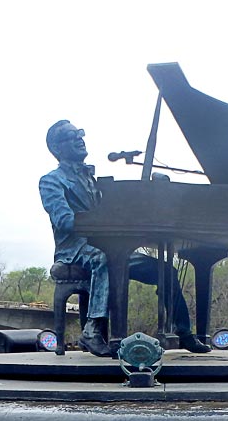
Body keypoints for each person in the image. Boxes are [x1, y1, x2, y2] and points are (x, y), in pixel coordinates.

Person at [39, 120, 210, 356]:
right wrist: (103, 224)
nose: (80, 138)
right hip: (76, 248)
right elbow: (64, 221)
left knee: (166, 271)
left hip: (113, 248)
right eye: (71, 136)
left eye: (81, 133)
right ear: (57, 148)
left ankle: (184, 333)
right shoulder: (51, 181)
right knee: (101, 259)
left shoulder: (92, 180)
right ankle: (92, 330)